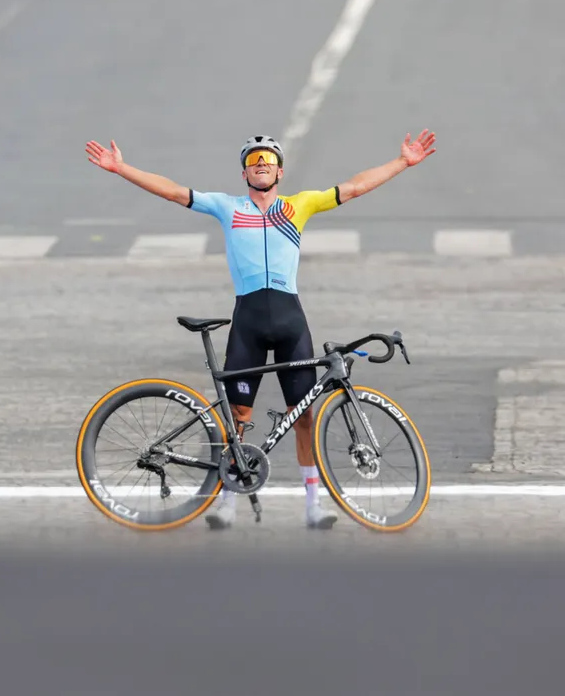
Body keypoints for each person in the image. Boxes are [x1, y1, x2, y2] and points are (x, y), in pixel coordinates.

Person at [84, 130, 438, 529]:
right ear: (244, 174)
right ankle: (228, 504)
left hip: (291, 322)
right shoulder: (227, 207)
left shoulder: (299, 205)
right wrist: (121, 168)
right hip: (248, 321)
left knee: (303, 415)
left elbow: (354, 188)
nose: (261, 166)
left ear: (280, 172)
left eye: (267, 161)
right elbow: (172, 192)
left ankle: (312, 507)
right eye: (254, 162)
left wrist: (402, 162)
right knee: (237, 417)